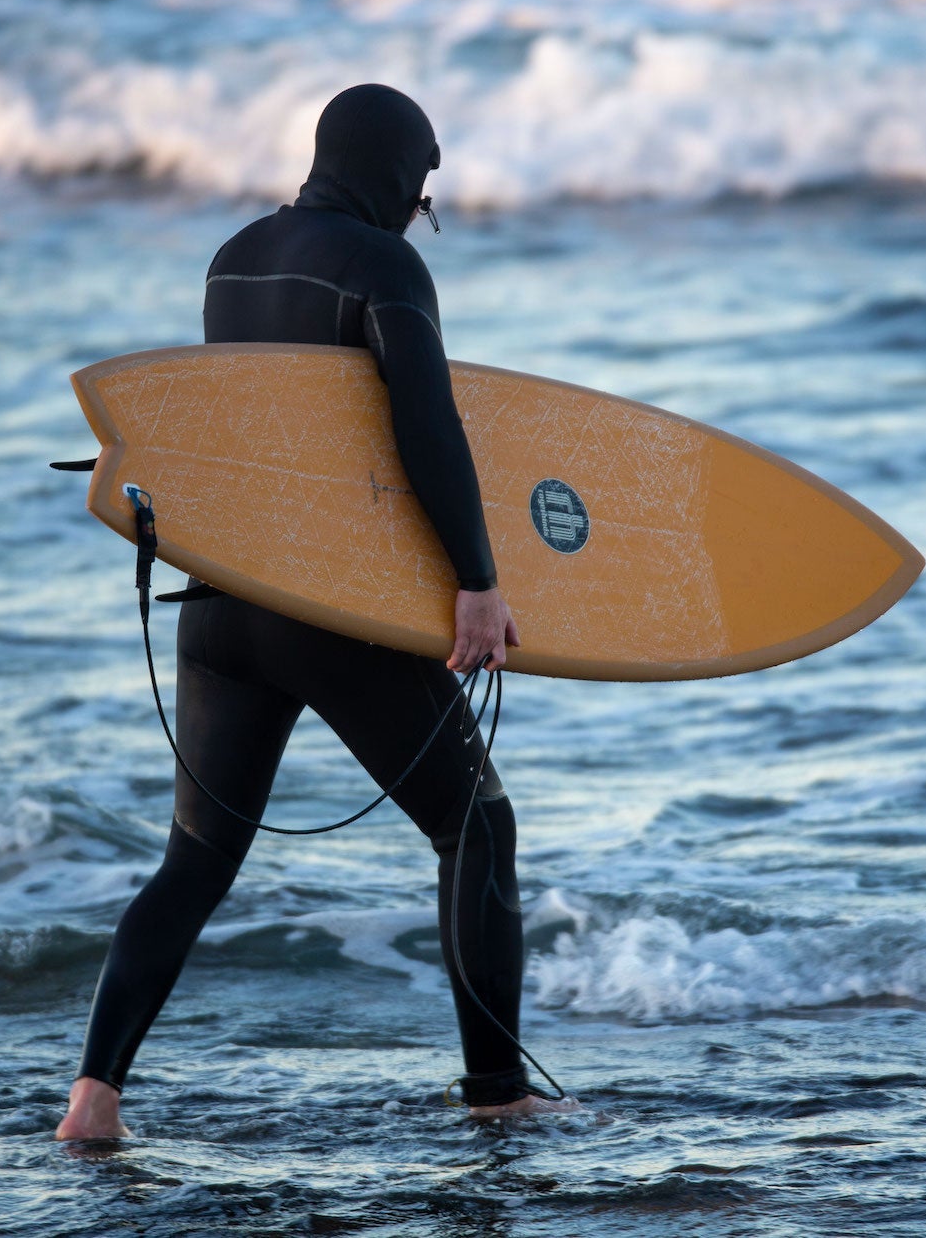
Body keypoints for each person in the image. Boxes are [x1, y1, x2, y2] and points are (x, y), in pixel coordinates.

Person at [56, 85, 570, 1139]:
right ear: (394, 172)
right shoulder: (387, 269)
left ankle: (91, 1100)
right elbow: (425, 428)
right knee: (477, 825)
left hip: (221, 604)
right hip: (323, 611)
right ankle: (498, 1095)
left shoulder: (232, 257)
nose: (420, 210)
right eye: (420, 190)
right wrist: (477, 581)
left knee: (195, 860)